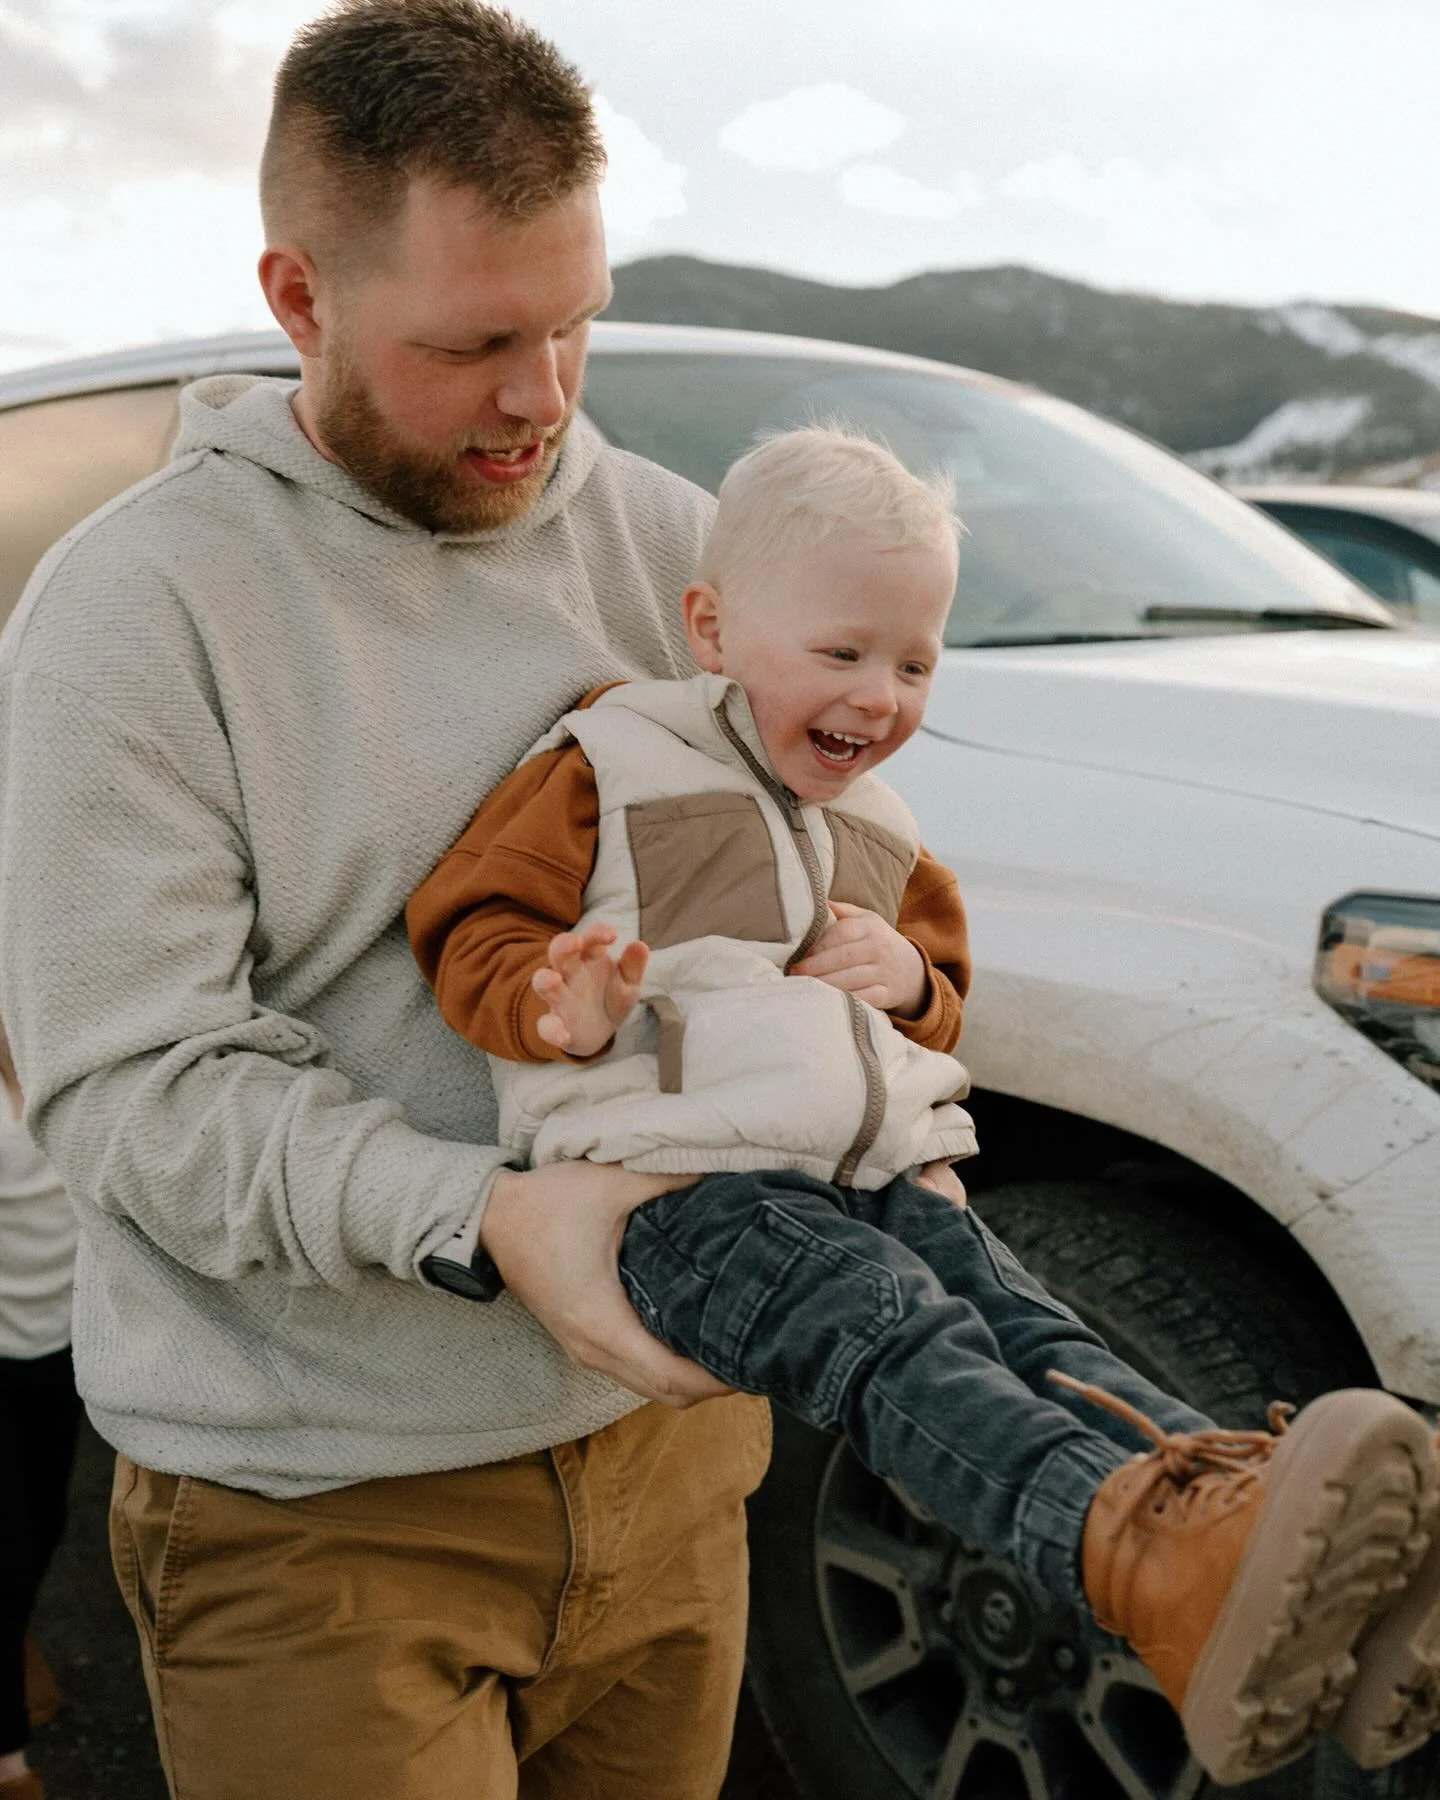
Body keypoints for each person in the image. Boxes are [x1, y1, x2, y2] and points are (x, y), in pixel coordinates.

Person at [407, 426, 1440, 1787]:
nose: (881, 694)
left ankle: (1239, 1531)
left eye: (914, 662)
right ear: (712, 629)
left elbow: (939, 986)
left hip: (860, 1176)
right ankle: (1132, 1551)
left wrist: (908, 977)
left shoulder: (881, 822)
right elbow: (469, 924)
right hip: (675, 1198)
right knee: (891, 1331)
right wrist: (561, 1005)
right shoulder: (612, 760)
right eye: (841, 655)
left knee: (1019, 1315)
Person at [0, 5, 779, 1798]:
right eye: (477, 342)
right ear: (300, 298)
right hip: (323, 1513)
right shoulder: (141, 613)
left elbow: (789, 886)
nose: (542, 397)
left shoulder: (682, 548)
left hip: (676, 1458)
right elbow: (133, 1095)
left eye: (576, 325)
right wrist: (496, 1221)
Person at [0, 1021, 81, 1800]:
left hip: (61, 1342)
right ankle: (9, 1763)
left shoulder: (62, 1044)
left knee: (48, 1522)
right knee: (7, 1547)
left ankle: (17, 1627)